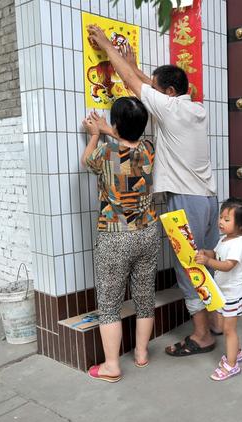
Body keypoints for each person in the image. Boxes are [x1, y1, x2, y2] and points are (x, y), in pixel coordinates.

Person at [87, 25, 220, 357]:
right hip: (208, 199)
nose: (152, 93)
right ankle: (217, 322)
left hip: (185, 201)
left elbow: (135, 85)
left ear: (169, 94)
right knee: (204, 263)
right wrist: (136, 67)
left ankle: (202, 336)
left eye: (159, 91)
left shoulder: (171, 110)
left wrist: (106, 45)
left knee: (188, 268)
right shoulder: (194, 109)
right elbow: (147, 85)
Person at [81, 97, 160, 383]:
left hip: (115, 237)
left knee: (110, 303)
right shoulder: (149, 149)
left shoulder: (104, 151)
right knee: (144, 296)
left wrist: (95, 134)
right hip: (149, 232)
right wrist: (110, 129)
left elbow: (85, 161)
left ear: (115, 124)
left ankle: (111, 366)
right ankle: (141, 353)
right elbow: (130, 141)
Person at [195, 198, 242, 381]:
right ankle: (237, 352)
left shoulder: (239, 244)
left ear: (241, 226)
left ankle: (231, 365)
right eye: (221, 217)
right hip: (223, 292)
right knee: (225, 326)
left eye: (227, 219)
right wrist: (206, 253)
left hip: (233, 294)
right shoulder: (225, 239)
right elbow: (217, 254)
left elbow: (228, 265)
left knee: (229, 330)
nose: (221, 221)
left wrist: (208, 262)